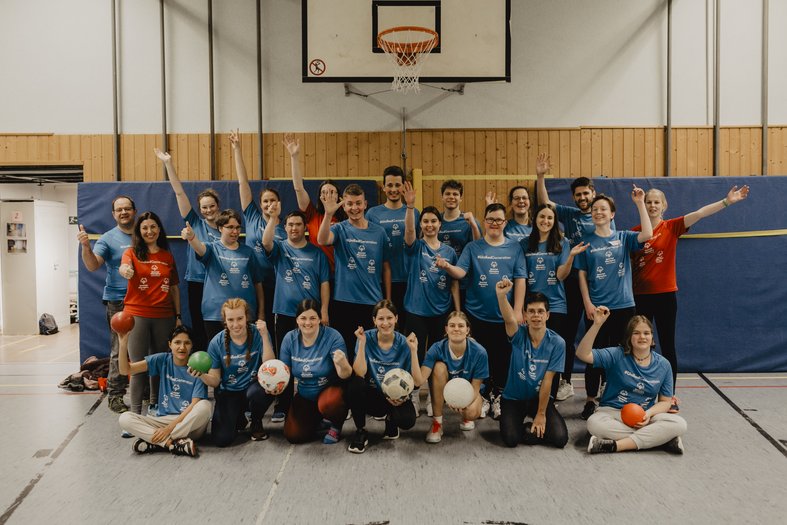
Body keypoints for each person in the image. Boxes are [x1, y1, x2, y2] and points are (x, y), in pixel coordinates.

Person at [632, 185, 750, 396]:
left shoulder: (672, 227)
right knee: (640, 346)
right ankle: (641, 390)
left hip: (665, 296)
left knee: (667, 345)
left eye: (656, 202)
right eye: (649, 201)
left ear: (664, 205)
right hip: (639, 297)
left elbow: (700, 213)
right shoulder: (633, 233)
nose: (652, 205)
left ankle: (669, 394)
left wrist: (727, 201)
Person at [536, 153, 616, 403]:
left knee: (602, 336)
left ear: (593, 193)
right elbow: (545, 203)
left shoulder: (603, 216)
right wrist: (541, 176)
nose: (582, 198)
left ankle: (605, 384)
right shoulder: (569, 215)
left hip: (600, 284)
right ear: (574, 197)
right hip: (572, 281)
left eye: (586, 193)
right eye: (578, 195)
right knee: (567, 336)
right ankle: (565, 381)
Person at [436, 203, 527, 420]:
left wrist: (517, 310)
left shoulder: (514, 248)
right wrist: (448, 267)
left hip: (504, 317)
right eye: (490, 219)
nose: (494, 223)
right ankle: (482, 396)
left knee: (502, 359)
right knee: (480, 359)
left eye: (499, 220)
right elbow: (461, 271)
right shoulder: (473, 247)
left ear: (505, 223)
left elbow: (520, 279)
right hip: (477, 314)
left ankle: (499, 396)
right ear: (484, 221)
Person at [575, 188, 653, 419]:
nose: (598, 212)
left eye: (603, 209)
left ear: (612, 214)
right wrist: (587, 303)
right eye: (594, 209)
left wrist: (640, 203)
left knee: (623, 353)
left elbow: (647, 234)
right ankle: (590, 400)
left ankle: (618, 397)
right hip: (598, 308)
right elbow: (581, 275)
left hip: (624, 305)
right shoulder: (586, 242)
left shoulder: (623, 237)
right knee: (594, 355)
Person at [577, 307, 687, 454]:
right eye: (636, 333)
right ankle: (661, 439)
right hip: (613, 412)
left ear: (652, 338)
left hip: (645, 415)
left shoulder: (664, 365)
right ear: (629, 337)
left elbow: (665, 402)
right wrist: (596, 325)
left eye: (646, 333)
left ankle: (615, 445)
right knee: (594, 424)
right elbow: (582, 354)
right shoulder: (616, 354)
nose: (642, 337)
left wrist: (648, 414)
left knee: (679, 424)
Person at [263, 205, 331, 422]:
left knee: (315, 359)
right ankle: (282, 405)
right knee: (285, 363)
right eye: (290, 224)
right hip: (284, 313)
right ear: (286, 227)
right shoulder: (280, 248)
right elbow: (266, 242)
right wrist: (273, 218)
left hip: (311, 317)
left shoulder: (316, 252)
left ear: (305, 228)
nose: (294, 228)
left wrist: (324, 310)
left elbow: (324, 283)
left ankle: (319, 402)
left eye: (298, 224)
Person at [402, 182, 459, 415]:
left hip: (441, 312)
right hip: (416, 310)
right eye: (425, 221)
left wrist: (457, 311)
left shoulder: (449, 252)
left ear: (439, 224)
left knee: (438, 358)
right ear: (421, 225)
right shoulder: (415, 247)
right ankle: (414, 395)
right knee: (415, 355)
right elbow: (408, 234)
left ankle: (436, 396)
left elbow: (454, 283)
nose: (429, 224)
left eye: (433, 221)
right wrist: (410, 207)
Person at [155, 148, 219, 352]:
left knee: (219, 326)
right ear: (200, 210)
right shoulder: (195, 223)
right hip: (197, 283)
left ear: (218, 206)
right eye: (204, 207)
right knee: (199, 327)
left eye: (211, 206)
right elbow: (179, 192)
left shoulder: (227, 228)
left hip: (218, 284)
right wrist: (168, 164)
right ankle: (202, 367)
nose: (208, 210)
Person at [77, 195, 136, 414]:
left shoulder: (144, 234)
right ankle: (116, 395)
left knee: (144, 349)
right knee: (118, 349)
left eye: (127, 209)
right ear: (113, 214)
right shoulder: (108, 238)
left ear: (134, 211)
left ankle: (147, 393)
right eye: (119, 210)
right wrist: (85, 246)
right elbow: (93, 266)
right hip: (117, 300)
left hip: (144, 301)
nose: (123, 213)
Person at [317, 183, 392, 356]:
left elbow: (386, 267)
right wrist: (328, 214)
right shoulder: (339, 228)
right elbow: (322, 240)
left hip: (372, 301)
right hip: (344, 301)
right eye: (349, 203)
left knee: (369, 351)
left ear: (365, 204)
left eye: (358, 203)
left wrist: (387, 300)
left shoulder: (379, 232)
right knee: (345, 350)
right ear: (344, 205)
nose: (354, 208)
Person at [118, 211, 180, 415]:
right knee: (137, 367)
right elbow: (124, 267)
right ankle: (135, 414)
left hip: (164, 316)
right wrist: (125, 271)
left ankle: (155, 406)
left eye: (153, 227)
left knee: (160, 364)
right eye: (145, 227)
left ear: (159, 229)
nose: (149, 231)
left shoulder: (167, 256)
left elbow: (174, 288)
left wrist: (178, 316)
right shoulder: (131, 253)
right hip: (137, 316)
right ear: (139, 231)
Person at [522, 203, 588, 396]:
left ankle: (551, 391)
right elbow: (521, 276)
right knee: (532, 348)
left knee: (554, 349)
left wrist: (570, 258)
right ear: (535, 219)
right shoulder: (524, 244)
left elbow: (560, 276)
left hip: (556, 305)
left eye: (550, 218)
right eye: (542, 217)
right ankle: (532, 389)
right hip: (531, 306)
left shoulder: (562, 242)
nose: (546, 221)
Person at [117, 326, 211, 457]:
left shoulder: (196, 366)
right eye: (177, 342)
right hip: (162, 420)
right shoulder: (162, 360)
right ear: (170, 344)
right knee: (124, 418)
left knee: (205, 406)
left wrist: (169, 429)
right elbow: (125, 370)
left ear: (192, 346)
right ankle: (172, 444)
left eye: (187, 343)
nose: (182, 347)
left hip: (189, 425)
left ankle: (155, 441)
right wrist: (122, 344)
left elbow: (195, 404)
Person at [346, 300, 424, 454]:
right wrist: (361, 344)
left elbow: (417, 382)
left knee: (408, 420)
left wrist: (414, 351)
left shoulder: (404, 342)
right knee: (355, 385)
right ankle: (361, 431)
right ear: (374, 321)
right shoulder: (365, 338)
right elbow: (359, 373)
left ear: (396, 318)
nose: (385, 323)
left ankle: (391, 421)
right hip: (373, 396)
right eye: (381, 319)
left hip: (395, 397)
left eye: (389, 318)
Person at [496, 284, 568, 448]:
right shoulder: (518, 335)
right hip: (514, 399)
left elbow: (548, 381)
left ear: (548, 315)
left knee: (560, 439)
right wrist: (502, 296)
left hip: (539, 400)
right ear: (525, 315)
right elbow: (509, 319)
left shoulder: (557, 343)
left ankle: (533, 427)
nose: (536, 316)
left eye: (541, 311)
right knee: (510, 439)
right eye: (531, 311)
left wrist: (541, 414)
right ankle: (526, 429)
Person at [230, 130, 287, 333]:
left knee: (275, 329)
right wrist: (237, 149)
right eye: (265, 201)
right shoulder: (252, 216)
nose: (269, 204)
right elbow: (243, 183)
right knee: (254, 327)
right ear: (260, 204)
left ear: (279, 204)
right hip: (253, 282)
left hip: (278, 285)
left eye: (272, 200)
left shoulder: (287, 228)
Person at [199, 298, 276, 446]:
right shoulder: (216, 342)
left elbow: (269, 365)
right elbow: (215, 380)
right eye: (231, 320)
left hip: (252, 389)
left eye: (240, 318)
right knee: (222, 440)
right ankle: (238, 417)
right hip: (229, 392)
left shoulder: (258, 333)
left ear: (247, 317)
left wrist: (265, 335)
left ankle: (256, 421)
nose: (236, 324)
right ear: (225, 321)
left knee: (263, 390)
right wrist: (201, 375)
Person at [182, 209, 265, 342]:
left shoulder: (248, 252)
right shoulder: (211, 248)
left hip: (245, 315)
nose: (235, 231)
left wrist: (261, 312)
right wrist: (192, 237)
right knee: (218, 356)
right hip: (215, 315)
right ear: (220, 228)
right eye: (230, 227)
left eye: (238, 227)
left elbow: (257, 283)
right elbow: (199, 247)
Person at [277, 300, 352, 444]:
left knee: (329, 404)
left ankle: (336, 424)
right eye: (303, 318)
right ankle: (318, 420)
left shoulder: (333, 337)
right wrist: (274, 385)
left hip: (328, 393)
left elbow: (346, 375)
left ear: (319, 319)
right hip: (305, 395)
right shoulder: (289, 339)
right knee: (293, 435)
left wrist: (343, 364)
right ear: (297, 319)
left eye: (312, 318)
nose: (308, 323)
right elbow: (284, 373)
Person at [420, 311, 489, 443]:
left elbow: (476, 386)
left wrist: (463, 402)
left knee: (472, 412)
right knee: (438, 367)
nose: (456, 329)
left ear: (467, 329)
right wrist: (413, 350)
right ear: (446, 329)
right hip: (444, 390)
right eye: (452, 325)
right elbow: (420, 379)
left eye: (461, 326)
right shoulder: (436, 348)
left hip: (468, 392)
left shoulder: (480, 352)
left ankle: (466, 417)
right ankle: (437, 424)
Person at [366, 165, 419, 327]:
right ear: (383, 187)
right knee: (385, 327)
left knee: (406, 327)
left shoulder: (414, 212)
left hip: (409, 279)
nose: (394, 189)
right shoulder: (372, 214)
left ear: (403, 186)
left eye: (397, 185)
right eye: (389, 185)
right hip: (382, 281)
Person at [284, 133, 346, 269]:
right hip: (317, 271)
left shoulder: (346, 218)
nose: (327, 195)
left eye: (331, 192)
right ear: (319, 197)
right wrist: (294, 157)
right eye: (323, 192)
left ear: (338, 196)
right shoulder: (312, 214)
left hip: (341, 273)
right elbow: (299, 188)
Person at [437, 179, 481, 306]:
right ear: (442, 197)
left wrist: (473, 225)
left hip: (464, 283)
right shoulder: (435, 221)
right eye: (448, 194)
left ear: (461, 198)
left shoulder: (469, 221)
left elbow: (478, 248)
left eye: (455, 194)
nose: (451, 197)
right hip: (440, 282)